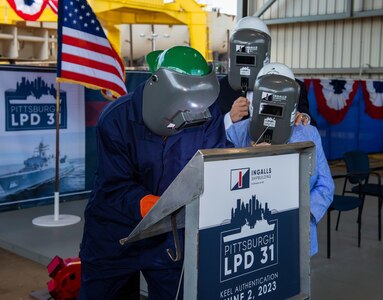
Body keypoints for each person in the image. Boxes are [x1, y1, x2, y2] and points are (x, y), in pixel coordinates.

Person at [78, 46, 227, 299]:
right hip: (115, 235)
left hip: (169, 239)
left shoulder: (207, 115)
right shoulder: (116, 119)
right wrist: (156, 207)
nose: (192, 113)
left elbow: (215, 164)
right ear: (158, 88)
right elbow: (114, 186)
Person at [226, 63, 334, 256]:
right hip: (253, 240)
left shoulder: (308, 134)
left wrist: (303, 215)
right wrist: (251, 157)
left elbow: (325, 185)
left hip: (297, 236)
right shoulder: (237, 133)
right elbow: (225, 188)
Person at [216, 16, 316, 129]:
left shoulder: (291, 87)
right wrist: (229, 118)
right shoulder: (219, 88)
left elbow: (310, 127)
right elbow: (207, 133)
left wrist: (303, 119)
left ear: (266, 51)